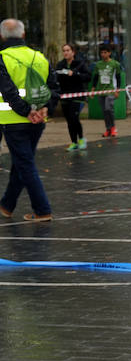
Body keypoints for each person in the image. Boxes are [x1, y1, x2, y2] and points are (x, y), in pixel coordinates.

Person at [0, 18, 60, 222]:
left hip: (12, 120)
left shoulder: (2, 58)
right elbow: (54, 88)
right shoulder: (39, 57)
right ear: (23, 34)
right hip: (38, 121)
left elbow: (8, 93)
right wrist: (45, 109)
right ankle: (6, 205)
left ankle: (42, 209)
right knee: (21, 163)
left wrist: (26, 112)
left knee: (25, 164)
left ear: (2, 36)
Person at [55, 42, 91, 151]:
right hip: (65, 96)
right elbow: (55, 78)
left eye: (67, 50)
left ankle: (81, 139)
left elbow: (88, 77)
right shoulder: (60, 64)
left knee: (74, 118)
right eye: (64, 51)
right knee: (69, 120)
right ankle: (74, 142)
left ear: (73, 52)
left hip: (77, 96)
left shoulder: (80, 63)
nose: (65, 53)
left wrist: (75, 74)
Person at [90, 44, 125, 137]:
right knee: (104, 111)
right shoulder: (98, 64)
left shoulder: (115, 64)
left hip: (111, 90)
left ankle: (113, 128)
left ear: (109, 53)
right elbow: (96, 77)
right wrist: (93, 89)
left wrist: (117, 90)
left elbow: (118, 77)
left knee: (108, 108)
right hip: (101, 90)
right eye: (101, 53)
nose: (103, 54)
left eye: (105, 52)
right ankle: (108, 129)